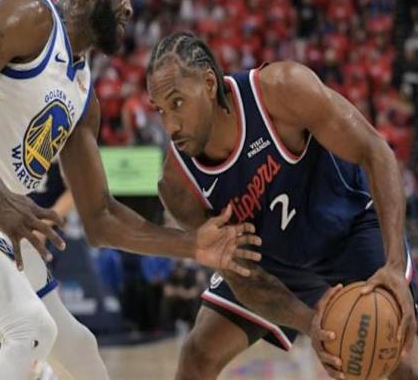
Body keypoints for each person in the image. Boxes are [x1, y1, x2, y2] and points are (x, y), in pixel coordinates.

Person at [0, 0, 261, 379]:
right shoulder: (29, 19)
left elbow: (100, 219)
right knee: (30, 330)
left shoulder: (83, 96)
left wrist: (193, 245)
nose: (129, 7)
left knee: (79, 350)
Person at [147, 32, 418, 380]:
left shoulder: (281, 91)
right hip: (273, 261)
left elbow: (376, 151)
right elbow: (242, 277)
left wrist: (394, 265)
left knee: (400, 364)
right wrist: (310, 322)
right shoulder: (179, 186)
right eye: (160, 110)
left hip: (349, 229)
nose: (170, 125)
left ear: (209, 84)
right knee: (198, 355)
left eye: (177, 103)